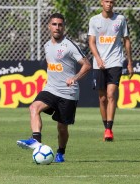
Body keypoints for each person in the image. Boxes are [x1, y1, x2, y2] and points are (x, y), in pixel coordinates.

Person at [16, 13, 91, 163]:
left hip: (68, 93)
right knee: (33, 108)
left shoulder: (69, 45)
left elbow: (87, 65)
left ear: (64, 27)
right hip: (51, 89)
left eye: (60, 25)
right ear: (49, 26)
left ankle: (61, 152)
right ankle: (36, 140)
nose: (57, 27)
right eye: (54, 24)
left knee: (62, 128)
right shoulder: (47, 45)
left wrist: (74, 78)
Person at [88, 0, 134, 141]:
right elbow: (91, 42)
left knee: (111, 94)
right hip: (99, 63)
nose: (109, 4)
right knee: (102, 98)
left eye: (111, 2)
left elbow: (126, 40)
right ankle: (105, 127)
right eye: (107, 1)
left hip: (115, 61)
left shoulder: (120, 19)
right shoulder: (94, 20)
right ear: (102, 3)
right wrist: (98, 58)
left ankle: (109, 129)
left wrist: (130, 62)